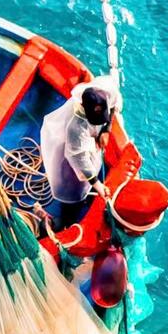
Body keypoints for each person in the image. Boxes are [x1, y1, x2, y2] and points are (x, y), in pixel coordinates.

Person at [40, 75, 118, 227]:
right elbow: (78, 158)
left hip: (87, 143)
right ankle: (67, 218)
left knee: (89, 169)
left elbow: (114, 105)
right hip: (71, 153)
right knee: (72, 186)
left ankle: (85, 194)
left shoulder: (105, 90)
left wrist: (106, 130)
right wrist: (98, 185)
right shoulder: (75, 126)